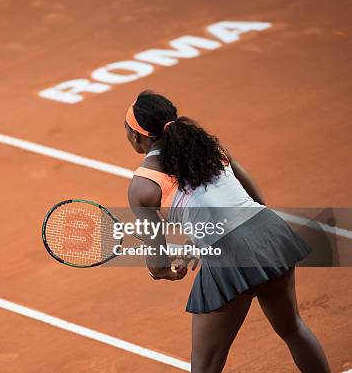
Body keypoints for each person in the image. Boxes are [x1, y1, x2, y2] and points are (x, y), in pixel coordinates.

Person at [124, 91, 330, 373]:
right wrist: (201, 240)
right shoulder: (208, 148)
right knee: (292, 328)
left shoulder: (142, 187)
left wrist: (161, 272)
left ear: (138, 137)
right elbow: (254, 202)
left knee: (205, 366)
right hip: (269, 234)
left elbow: (158, 261)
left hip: (230, 258)